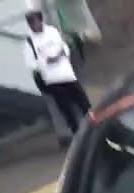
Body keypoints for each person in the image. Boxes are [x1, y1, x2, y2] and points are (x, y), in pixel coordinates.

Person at [24, 1, 92, 146]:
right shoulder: (29, 41)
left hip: (65, 73)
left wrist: (60, 55)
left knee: (82, 101)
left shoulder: (52, 32)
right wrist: (45, 62)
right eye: (31, 23)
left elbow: (64, 47)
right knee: (65, 108)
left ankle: (94, 124)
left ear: (40, 20)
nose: (34, 25)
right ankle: (77, 134)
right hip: (52, 79)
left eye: (35, 22)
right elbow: (31, 63)